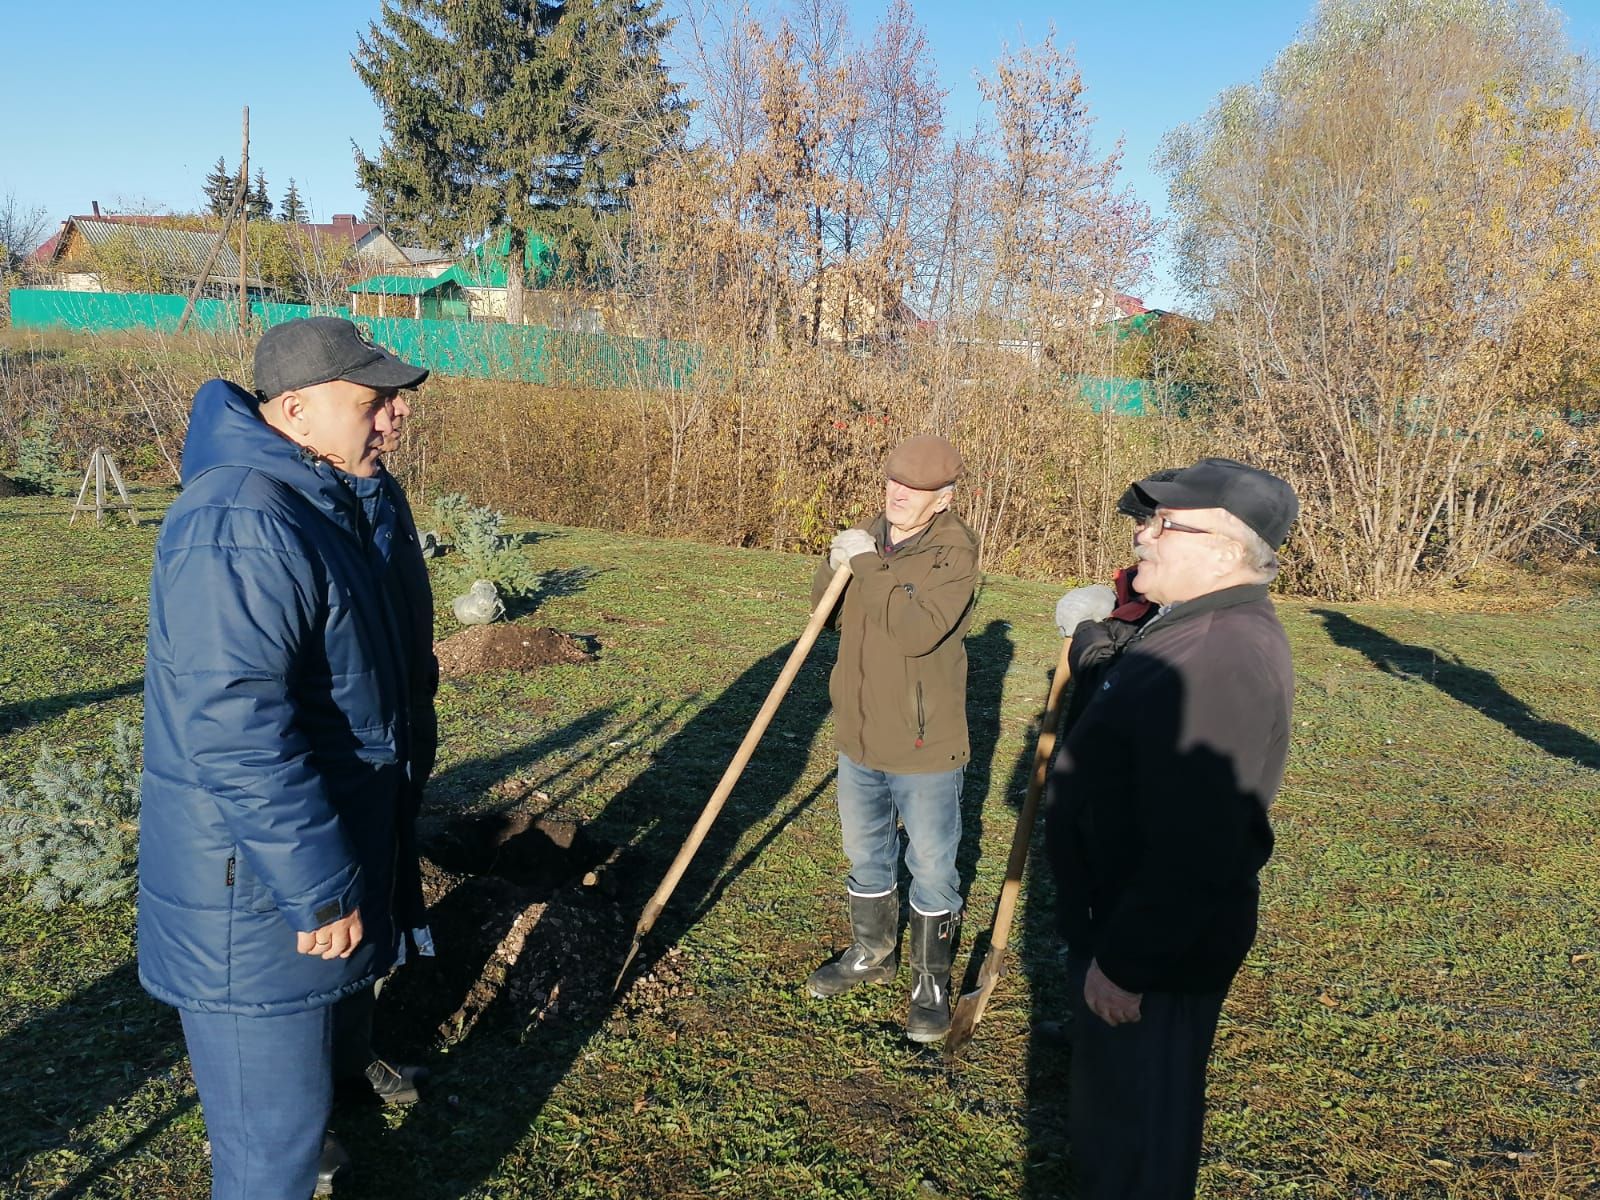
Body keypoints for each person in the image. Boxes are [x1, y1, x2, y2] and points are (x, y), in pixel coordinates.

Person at [138, 317, 432, 1200]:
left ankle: (333, 1103)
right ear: (296, 411)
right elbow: (236, 727)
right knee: (270, 1151)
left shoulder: (328, 493)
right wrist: (318, 883)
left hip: (318, 845)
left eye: (393, 406)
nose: (391, 422)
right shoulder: (240, 520)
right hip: (254, 892)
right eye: (372, 405)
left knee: (300, 1110)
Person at [1043, 457, 1299, 1199]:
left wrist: (1127, 963)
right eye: (1145, 519)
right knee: (1113, 1127)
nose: (1142, 536)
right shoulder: (1181, 629)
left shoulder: (1218, 656)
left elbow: (1201, 844)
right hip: (1120, 926)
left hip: (1152, 959)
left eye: (1163, 523)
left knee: (1139, 1145)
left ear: (1226, 548)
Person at [804, 435, 980, 1043]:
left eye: (914, 491)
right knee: (865, 852)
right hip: (858, 734)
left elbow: (913, 632)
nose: (898, 497)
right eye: (892, 485)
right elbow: (825, 615)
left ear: (943, 499)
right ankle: (871, 952)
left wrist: (866, 565)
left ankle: (930, 982)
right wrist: (834, 563)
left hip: (921, 745)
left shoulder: (953, 554)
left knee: (931, 864)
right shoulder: (870, 536)